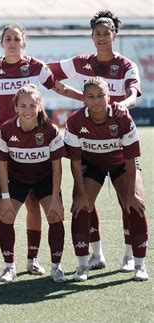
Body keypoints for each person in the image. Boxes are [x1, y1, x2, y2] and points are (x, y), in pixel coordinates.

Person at [0, 23, 82, 276]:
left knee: (33, 205)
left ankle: (33, 259)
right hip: (4, 145)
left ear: (23, 42)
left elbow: (58, 88)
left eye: (16, 38)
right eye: (7, 39)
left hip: (36, 146)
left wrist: (86, 98)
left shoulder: (37, 67)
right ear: (1, 43)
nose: (12, 43)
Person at [49, 10, 142, 271]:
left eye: (107, 33)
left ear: (115, 34)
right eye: (97, 33)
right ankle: (97, 253)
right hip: (91, 150)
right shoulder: (80, 63)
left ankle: (129, 256)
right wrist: (76, 95)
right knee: (83, 203)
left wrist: (122, 103)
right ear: (92, 37)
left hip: (119, 147)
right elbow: (47, 73)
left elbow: (133, 94)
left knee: (131, 202)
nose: (102, 37)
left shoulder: (125, 65)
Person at [64, 77, 148, 282]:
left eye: (101, 95)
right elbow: (75, 162)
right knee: (80, 207)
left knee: (135, 205)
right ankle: (83, 266)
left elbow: (130, 159)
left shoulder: (123, 118)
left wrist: (130, 194)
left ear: (109, 97)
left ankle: (137, 263)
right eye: (91, 96)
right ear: (83, 98)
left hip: (121, 164)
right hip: (92, 165)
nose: (96, 101)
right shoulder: (75, 121)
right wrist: (81, 194)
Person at [0, 85, 67, 283]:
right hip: (17, 179)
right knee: (6, 215)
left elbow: (57, 168)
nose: (28, 110)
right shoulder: (6, 129)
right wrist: (6, 197)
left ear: (39, 106)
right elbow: (1, 166)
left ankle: (55, 267)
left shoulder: (50, 129)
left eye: (32, 105)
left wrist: (55, 198)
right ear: (15, 108)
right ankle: (9, 267)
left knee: (55, 214)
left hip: (44, 179)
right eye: (23, 106)